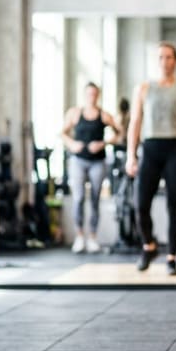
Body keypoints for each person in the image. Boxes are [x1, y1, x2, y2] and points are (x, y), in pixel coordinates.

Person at [126, 42, 176, 275]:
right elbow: (135, 122)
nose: (165, 61)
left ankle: (171, 258)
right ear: (156, 61)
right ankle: (149, 245)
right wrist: (131, 155)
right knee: (140, 205)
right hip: (150, 148)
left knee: (173, 205)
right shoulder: (143, 88)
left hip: (175, 149)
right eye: (161, 57)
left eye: (169, 57)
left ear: (175, 61)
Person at [60, 83, 124, 253]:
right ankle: (80, 236)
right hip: (78, 160)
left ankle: (93, 237)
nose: (92, 96)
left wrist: (103, 143)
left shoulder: (104, 115)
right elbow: (62, 133)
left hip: (97, 161)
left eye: (94, 94)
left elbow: (120, 134)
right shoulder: (74, 114)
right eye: (89, 93)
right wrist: (72, 144)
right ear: (84, 95)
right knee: (79, 198)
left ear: (98, 95)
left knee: (95, 199)